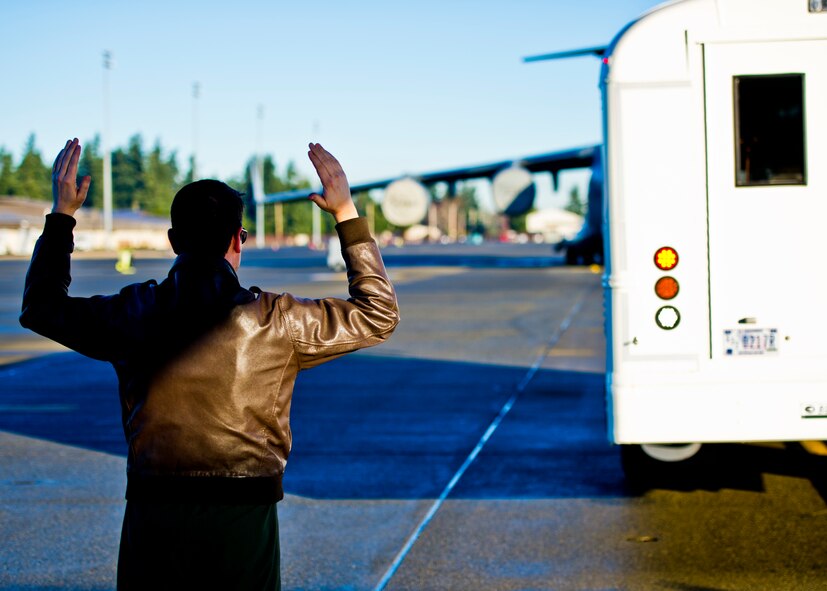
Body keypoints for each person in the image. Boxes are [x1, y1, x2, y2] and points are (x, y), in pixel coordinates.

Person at [20, 138, 400, 590]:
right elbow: (378, 314)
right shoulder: (277, 320)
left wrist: (62, 216)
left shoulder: (133, 312)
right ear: (238, 239)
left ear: (174, 241)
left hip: (153, 517)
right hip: (244, 517)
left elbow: (41, 307)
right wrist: (346, 214)